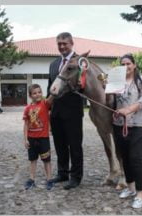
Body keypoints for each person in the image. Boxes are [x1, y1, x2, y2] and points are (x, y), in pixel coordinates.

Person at [112, 53, 142, 209]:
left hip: (140, 125)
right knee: (125, 158)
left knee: (135, 158)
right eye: (122, 64)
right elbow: (110, 100)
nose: (126, 67)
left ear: (134, 65)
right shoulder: (117, 82)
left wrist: (128, 109)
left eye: (128, 63)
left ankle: (141, 194)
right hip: (119, 125)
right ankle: (131, 188)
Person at [47, 32, 84, 190]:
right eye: (59, 44)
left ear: (71, 43)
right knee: (60, 144)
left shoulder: (81, 62)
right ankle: (62, 173)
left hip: (73, 111)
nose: (62, 46)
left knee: (75, 146)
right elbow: (51, 86)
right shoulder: (53, 64)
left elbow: (86, 85)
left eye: (65, 43)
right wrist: (47, 106)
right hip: (56, 112)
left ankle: (76, 177)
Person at [23, 84, 55, 190]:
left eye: (39, 92)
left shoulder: (45, 104)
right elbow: (26, 124)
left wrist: (54, 91)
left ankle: (49, 179)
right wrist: (25, 139)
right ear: (30, 95)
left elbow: (51, 98)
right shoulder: (27, 108)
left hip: (43, 138)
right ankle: (31, 179)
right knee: (33, 160)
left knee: (47, 160)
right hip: (32, 139)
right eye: (34, 93)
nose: (37, 95)